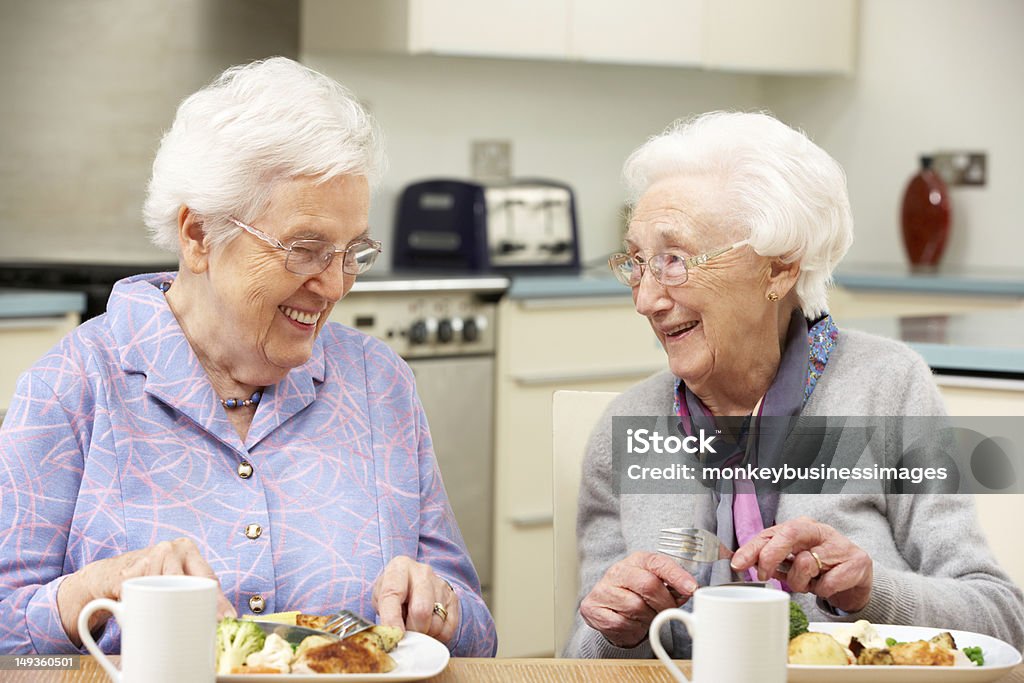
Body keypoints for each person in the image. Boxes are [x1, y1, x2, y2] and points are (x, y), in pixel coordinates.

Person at [0, 57, 496, 657]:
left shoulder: (378, 382)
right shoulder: (72, 386)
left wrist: (437, 604)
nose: (335, 286)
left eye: (352, 252)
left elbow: (478, 634)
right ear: (199, 236)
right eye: (307, 249)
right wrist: (98, 587)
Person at [564, 111, 1024, 658]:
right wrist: (618, 629)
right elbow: (581, 658)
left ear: (779, 269)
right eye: (639, 263)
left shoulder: (887, 388)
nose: (646, 299)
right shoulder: (628, 427)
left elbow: (1002, 619)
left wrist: (870, 592)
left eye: (674, 260)